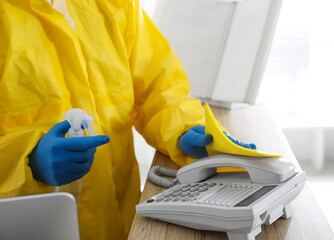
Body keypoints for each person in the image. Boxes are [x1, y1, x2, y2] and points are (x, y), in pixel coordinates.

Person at [0, 0, 254, 239]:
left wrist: (185, 127)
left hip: (124, 222)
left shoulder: (115, 4)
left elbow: (158, 88)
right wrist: (25, 160)